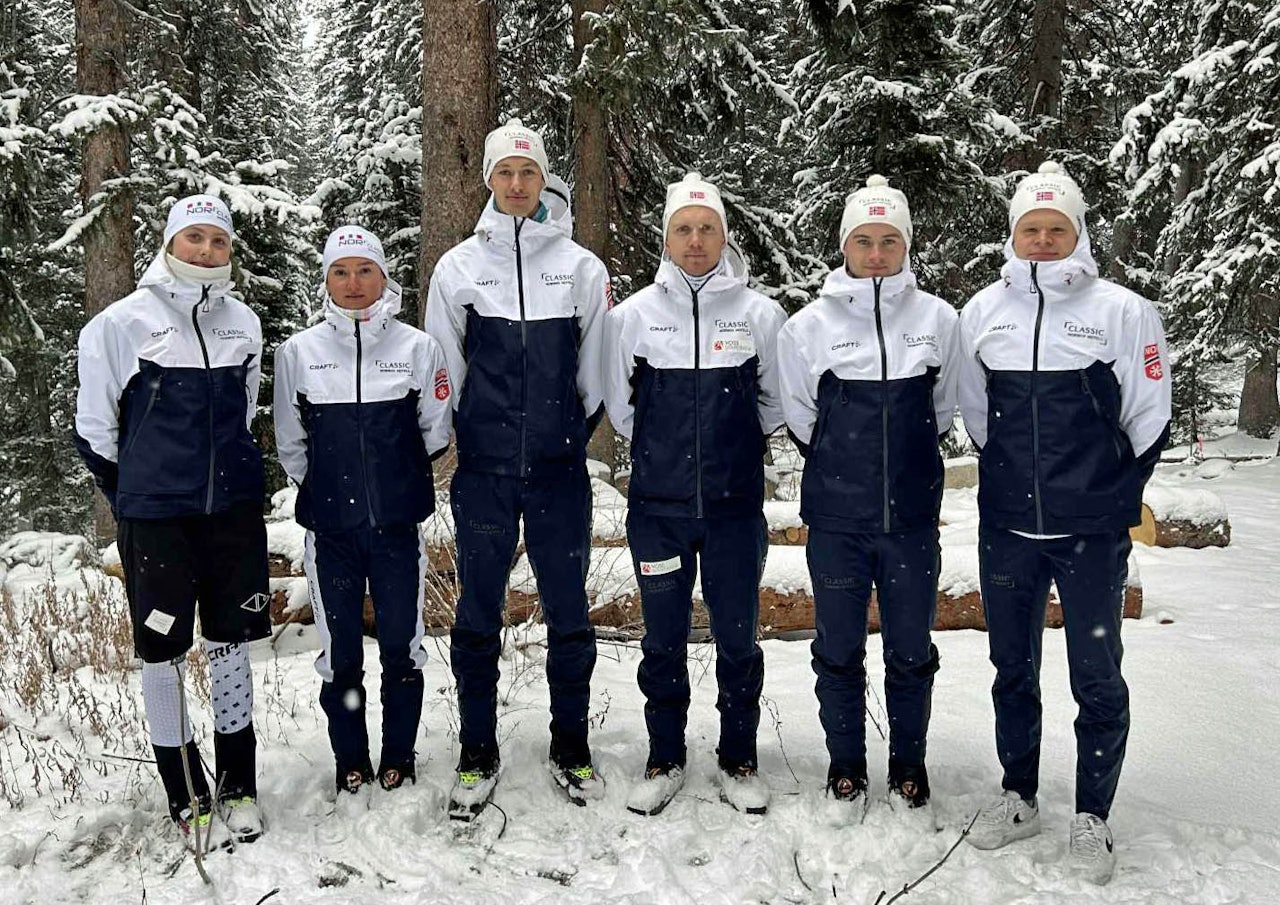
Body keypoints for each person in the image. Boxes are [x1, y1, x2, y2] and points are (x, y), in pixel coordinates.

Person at [956, 162, 1171, 884]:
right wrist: (1017, 483)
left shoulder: (1122, 311)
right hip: (1009, 530)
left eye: (1057, 229)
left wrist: (1108, 490)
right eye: (1031, 229)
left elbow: (1149, 413)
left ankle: (1092, 814)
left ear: (1078, 233)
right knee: (1011, 669)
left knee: (1096, 675)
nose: (1043, 241)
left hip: (1090, 531)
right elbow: (977, 413)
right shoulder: (983, 311)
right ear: (1013, 236)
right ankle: (1019, 795)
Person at [424, 118, 610, 816]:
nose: (516, 183)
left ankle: (570, 743)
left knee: (568, 608)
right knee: (477, 609)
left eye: (527, 173)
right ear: (489, 180)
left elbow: (594, 369)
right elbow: (446, 365)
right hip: (487, 470)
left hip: (560, 469)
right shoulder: (460, 267)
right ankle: (477, 748)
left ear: (543, 181)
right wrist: (471, 436)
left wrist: (567, 431)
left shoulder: (581, 267)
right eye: (504, 172)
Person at [74, 194, 269, 849]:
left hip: (232, 516)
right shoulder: (121, 323)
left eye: (218, 241)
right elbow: (94, 427)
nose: (207, 251)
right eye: (195, 239)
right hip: (155, 517)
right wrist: (131, 492)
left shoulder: (243, 322)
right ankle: (185, 791)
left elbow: (245, 410)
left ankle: (238, 785)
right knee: (162, 651)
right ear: (169, 244)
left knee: (230, 644)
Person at [603, 172, 788, 817]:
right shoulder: (632, 317)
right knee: (663, 639)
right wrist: (665, 453)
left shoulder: (759, 315)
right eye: (683, 228)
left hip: (736, 509)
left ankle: (738, 757)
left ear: (724, 235)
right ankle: (665, 755)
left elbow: (775, 402)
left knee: (738, 637)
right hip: (658, 510)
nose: (696, 239)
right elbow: (622, 408)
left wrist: (732, 450)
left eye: (707, 228)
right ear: (666, 238)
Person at [776, 175, 957, 823]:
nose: (876, 253)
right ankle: (845, 766)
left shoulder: (938, 320)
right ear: (845, 245)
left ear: (905, 246)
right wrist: (843, 458)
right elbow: (800, 414)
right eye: (864, 240)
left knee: (911, 648)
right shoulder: (808, 326)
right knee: (838, 648)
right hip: (837, 520)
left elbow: (943, 408)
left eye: (889, 241)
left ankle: (909, 766)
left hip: (910, 520)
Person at [274, 226, 451, 796]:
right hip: (332, 534)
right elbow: (289, 441)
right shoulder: (298, 353)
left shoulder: (418, 349)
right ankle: (351, 759)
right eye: (341, 272)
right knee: (340, 653)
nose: (354, 284)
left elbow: (434, 431)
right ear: (326, 280)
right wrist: (330, 486)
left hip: (398, 529)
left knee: (403, 647)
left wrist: (391, 480)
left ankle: (399, 754)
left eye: (365, 271)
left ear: (383, 276)